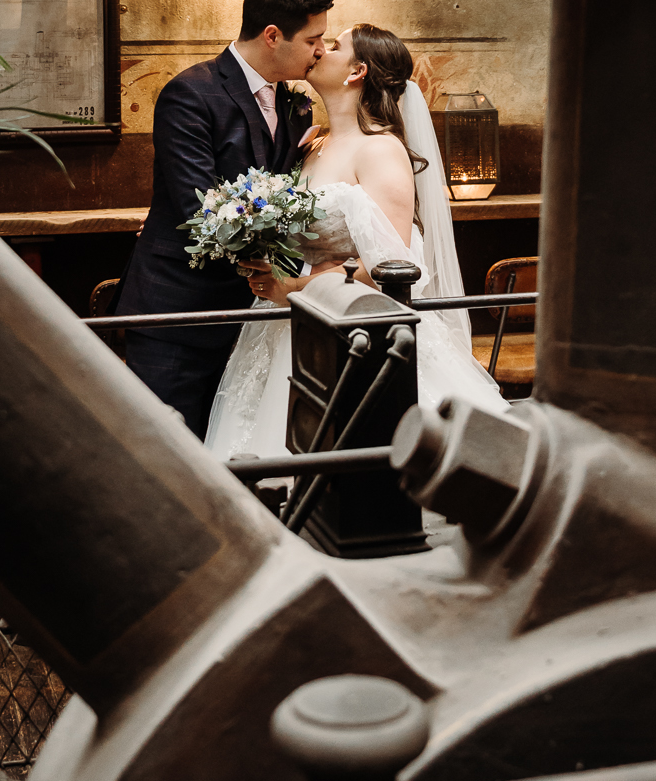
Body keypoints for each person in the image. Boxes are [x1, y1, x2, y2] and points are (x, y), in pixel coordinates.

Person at [204, 24, 507, 465]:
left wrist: (295, 289)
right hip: (287, 327)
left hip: (351, 334)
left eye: (334, 45)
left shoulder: (380, 150)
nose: (320, 50)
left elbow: (393, 267)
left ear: (356, 71)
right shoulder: (312, 143)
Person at [117, 0, 334, 437]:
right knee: (168, 451)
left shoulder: (299, 107)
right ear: (273, 35)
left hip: (253, 321)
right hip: (179, 317)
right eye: (314, 38)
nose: (320, 51)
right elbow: (200, 212)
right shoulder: (190, 94)